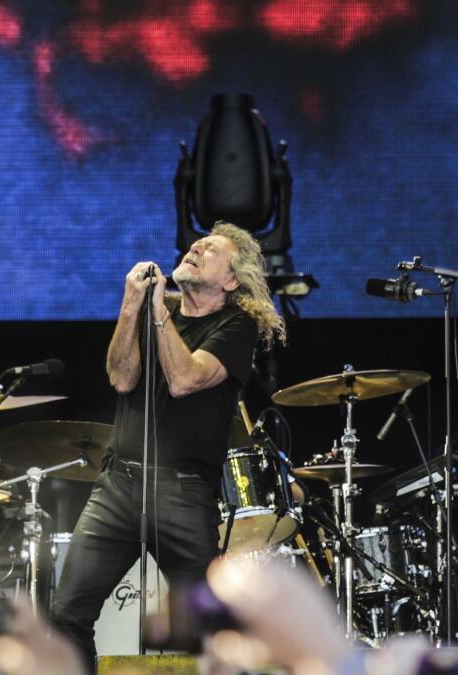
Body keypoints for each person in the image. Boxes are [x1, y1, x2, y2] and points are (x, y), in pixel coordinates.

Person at [49, 222, 286, 665]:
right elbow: (120, 377)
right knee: (66, 614)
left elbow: (185, 379)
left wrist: (158, 312)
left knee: (204, 626)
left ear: (231, 280)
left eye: (210, 248)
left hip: (183, 491)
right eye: (197, 243)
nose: (195, 247)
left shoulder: (237, 325)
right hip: (118, 487)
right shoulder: (152, 313)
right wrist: (131, 304)